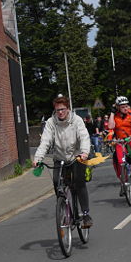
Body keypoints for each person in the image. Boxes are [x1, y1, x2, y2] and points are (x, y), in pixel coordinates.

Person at [34, 95, 92, 228]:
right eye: (57, 110)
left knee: (79, 183)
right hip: (59, 158)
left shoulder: (76, 120)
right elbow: (45, 141)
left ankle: (85, 214)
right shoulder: (51, 122)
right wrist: (38, 158)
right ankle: (63, 205)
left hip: (76, 157)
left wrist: (84, 152)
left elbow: (84, 137)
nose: (60, 112)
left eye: (63, 109)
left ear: (68, 109)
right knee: (57, 183)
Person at [107, 95, 131, 180]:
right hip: (120, 141)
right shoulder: (115, 116)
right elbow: (110, 127)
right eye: (123, 107)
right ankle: (123, 181)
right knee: (118, 160)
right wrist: (112, 113)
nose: (125, 108)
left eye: (126, 106)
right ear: (118, 107)